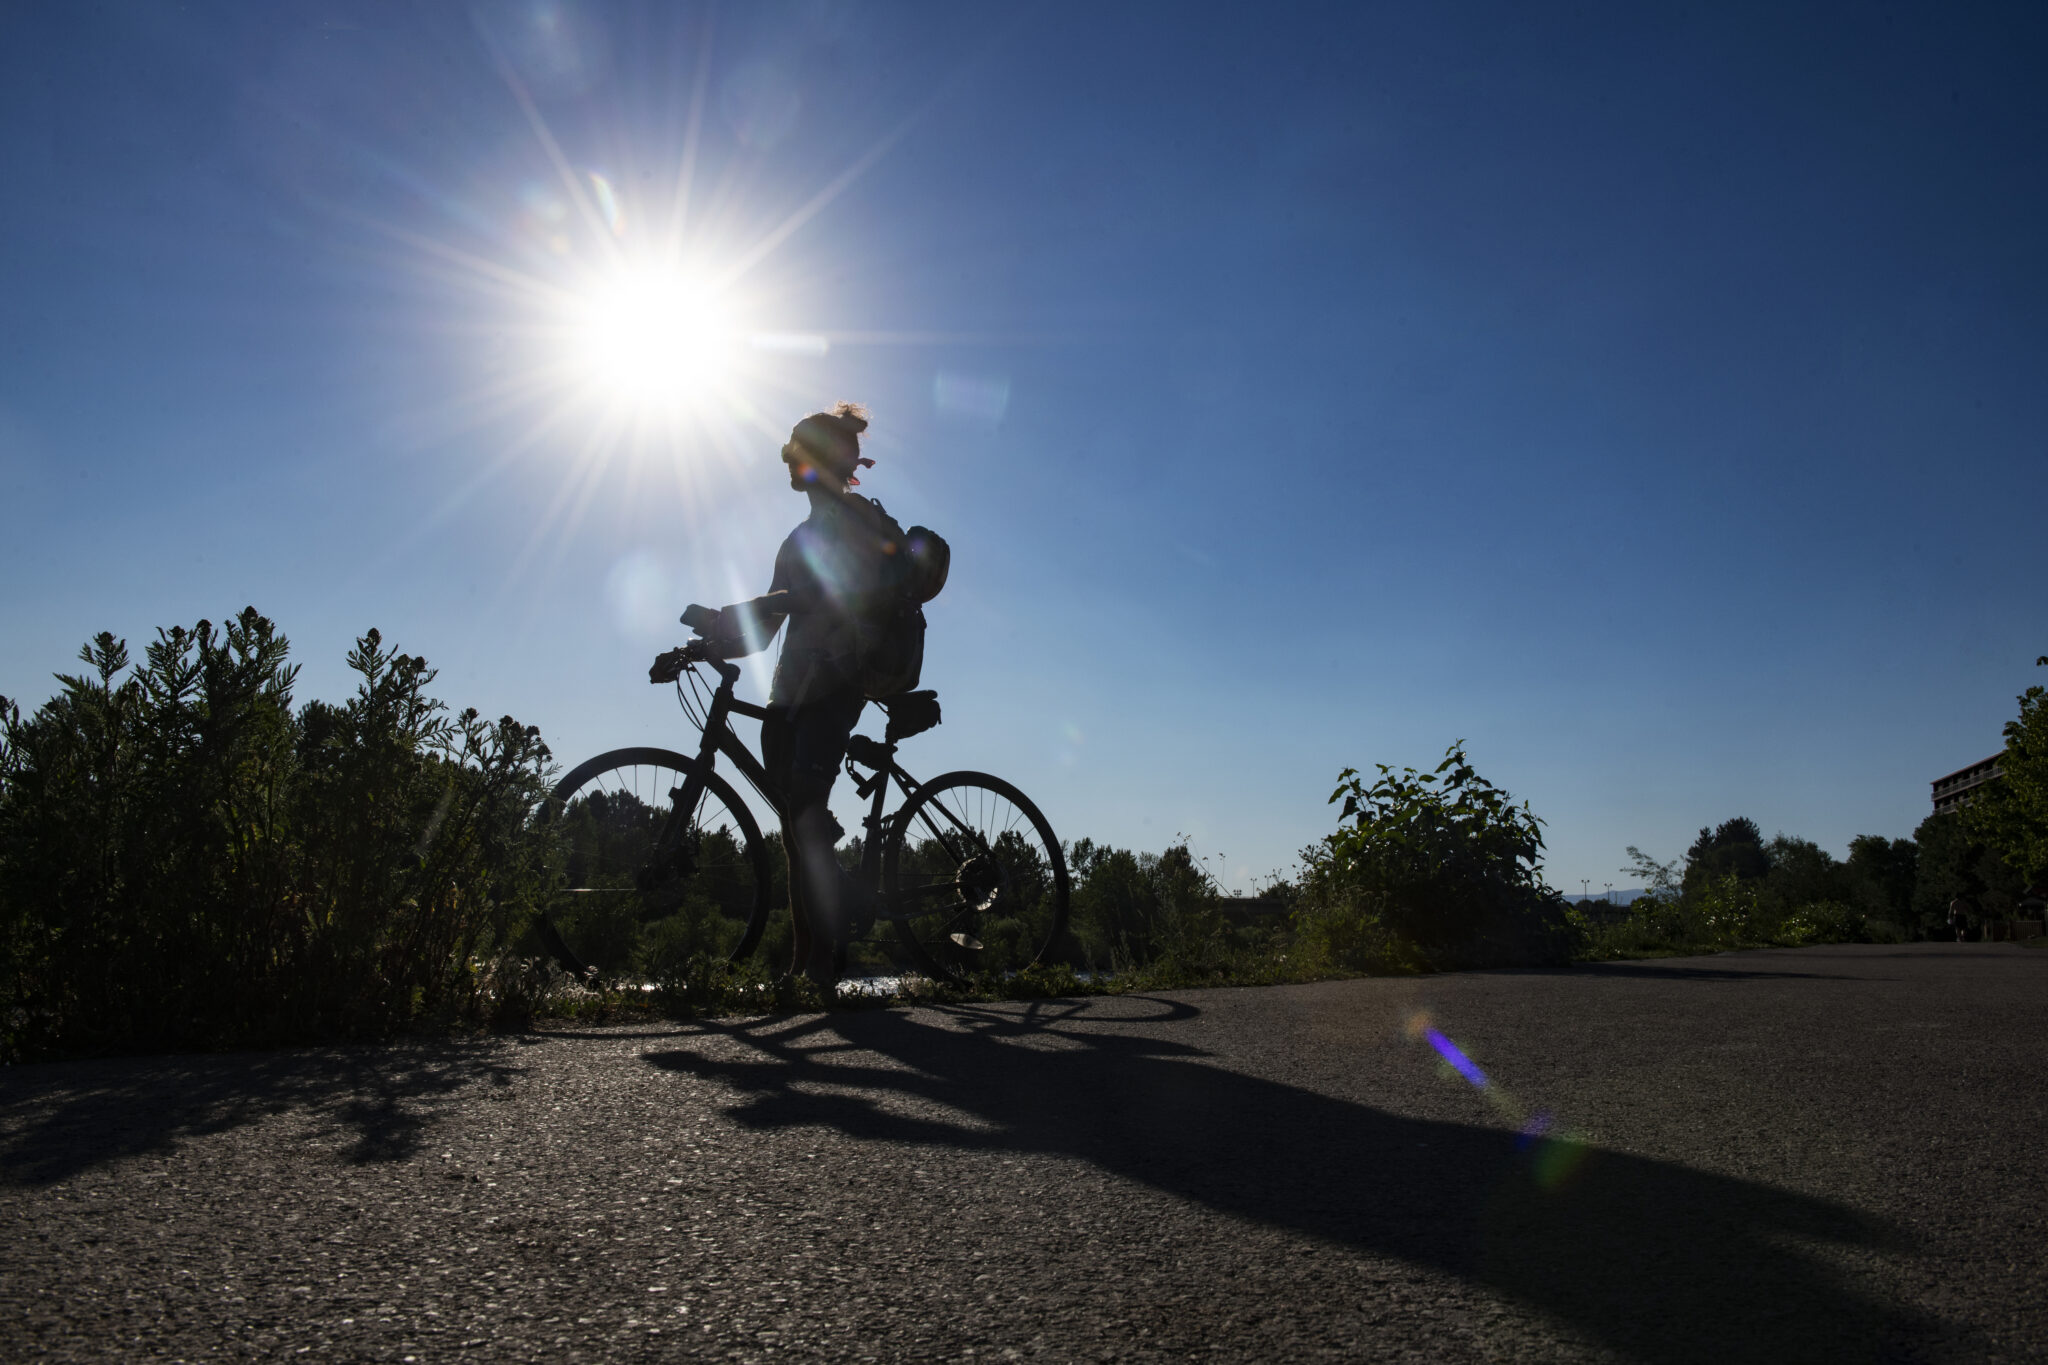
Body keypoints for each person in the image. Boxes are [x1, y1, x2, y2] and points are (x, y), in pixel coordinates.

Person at [651, 403, 893, 990]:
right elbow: (764, 633)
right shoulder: (797, 539)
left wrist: (739, 612)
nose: (789, 461)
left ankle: (821, 967)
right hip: (792, 687)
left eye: (799, 451)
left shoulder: (856, 523)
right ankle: (804, 957)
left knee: (807, 806)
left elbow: (814, 600)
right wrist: (705, 644)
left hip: (838, 682)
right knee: (792, 828)